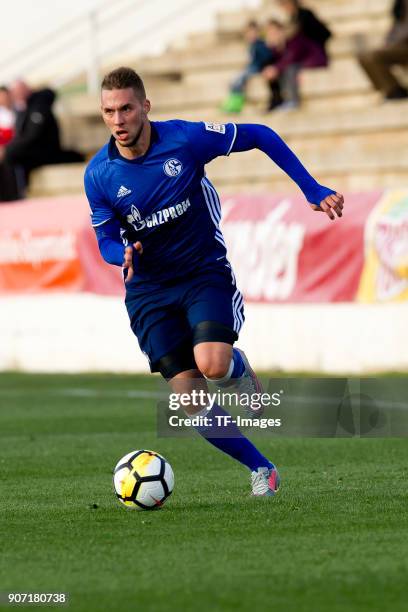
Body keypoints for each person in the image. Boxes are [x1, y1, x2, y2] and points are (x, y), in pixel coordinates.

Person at [84, 67, 344, 498]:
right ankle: (262, 469)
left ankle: (238, 368)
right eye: (109, 111)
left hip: (202, 272)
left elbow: (260, 134)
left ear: (145, 107)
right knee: (190, 398)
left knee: (213, 365)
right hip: (148, 291)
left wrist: (311, 189)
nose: (118, 119)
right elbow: (105, 239)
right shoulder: (99, 174)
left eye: (126, 108)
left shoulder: (186, 140)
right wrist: (121, 255)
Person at [0, 80, 83, 197]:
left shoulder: (38, 105)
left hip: (46, 151)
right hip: (36, 150)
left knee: (10, 153)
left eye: (17, 92)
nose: (14, 95)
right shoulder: (24, 108)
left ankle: (13, 194)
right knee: (9, 153)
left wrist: (8, 148)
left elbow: (33, 136)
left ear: (25, 90)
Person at [264, 0, 331, 109]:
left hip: (312, 58)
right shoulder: (292, 24)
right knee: (274, 67)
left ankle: (292, 101)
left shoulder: (302, 23)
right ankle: (278, 101)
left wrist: (277, 68)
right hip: (302, 57)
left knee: (288, 69)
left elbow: (294, 54)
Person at [221, 20, 279, 113]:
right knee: (235, 79)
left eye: (252, 32)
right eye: (248, 33)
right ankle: (232, 100)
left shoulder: (260, 44)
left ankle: (236, 104)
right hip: (253, 67)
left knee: (239, 78)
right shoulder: (252, 45)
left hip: (258, 67)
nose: (250, 35)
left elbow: (265, 57)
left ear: (258, 32)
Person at [357, 0, 408, 100]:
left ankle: (395, 91)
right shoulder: (400, 5)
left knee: (371, 56)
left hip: (404, 45)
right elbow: (396, 28)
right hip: (398, 45)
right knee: (366, 56)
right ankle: (391, 90)